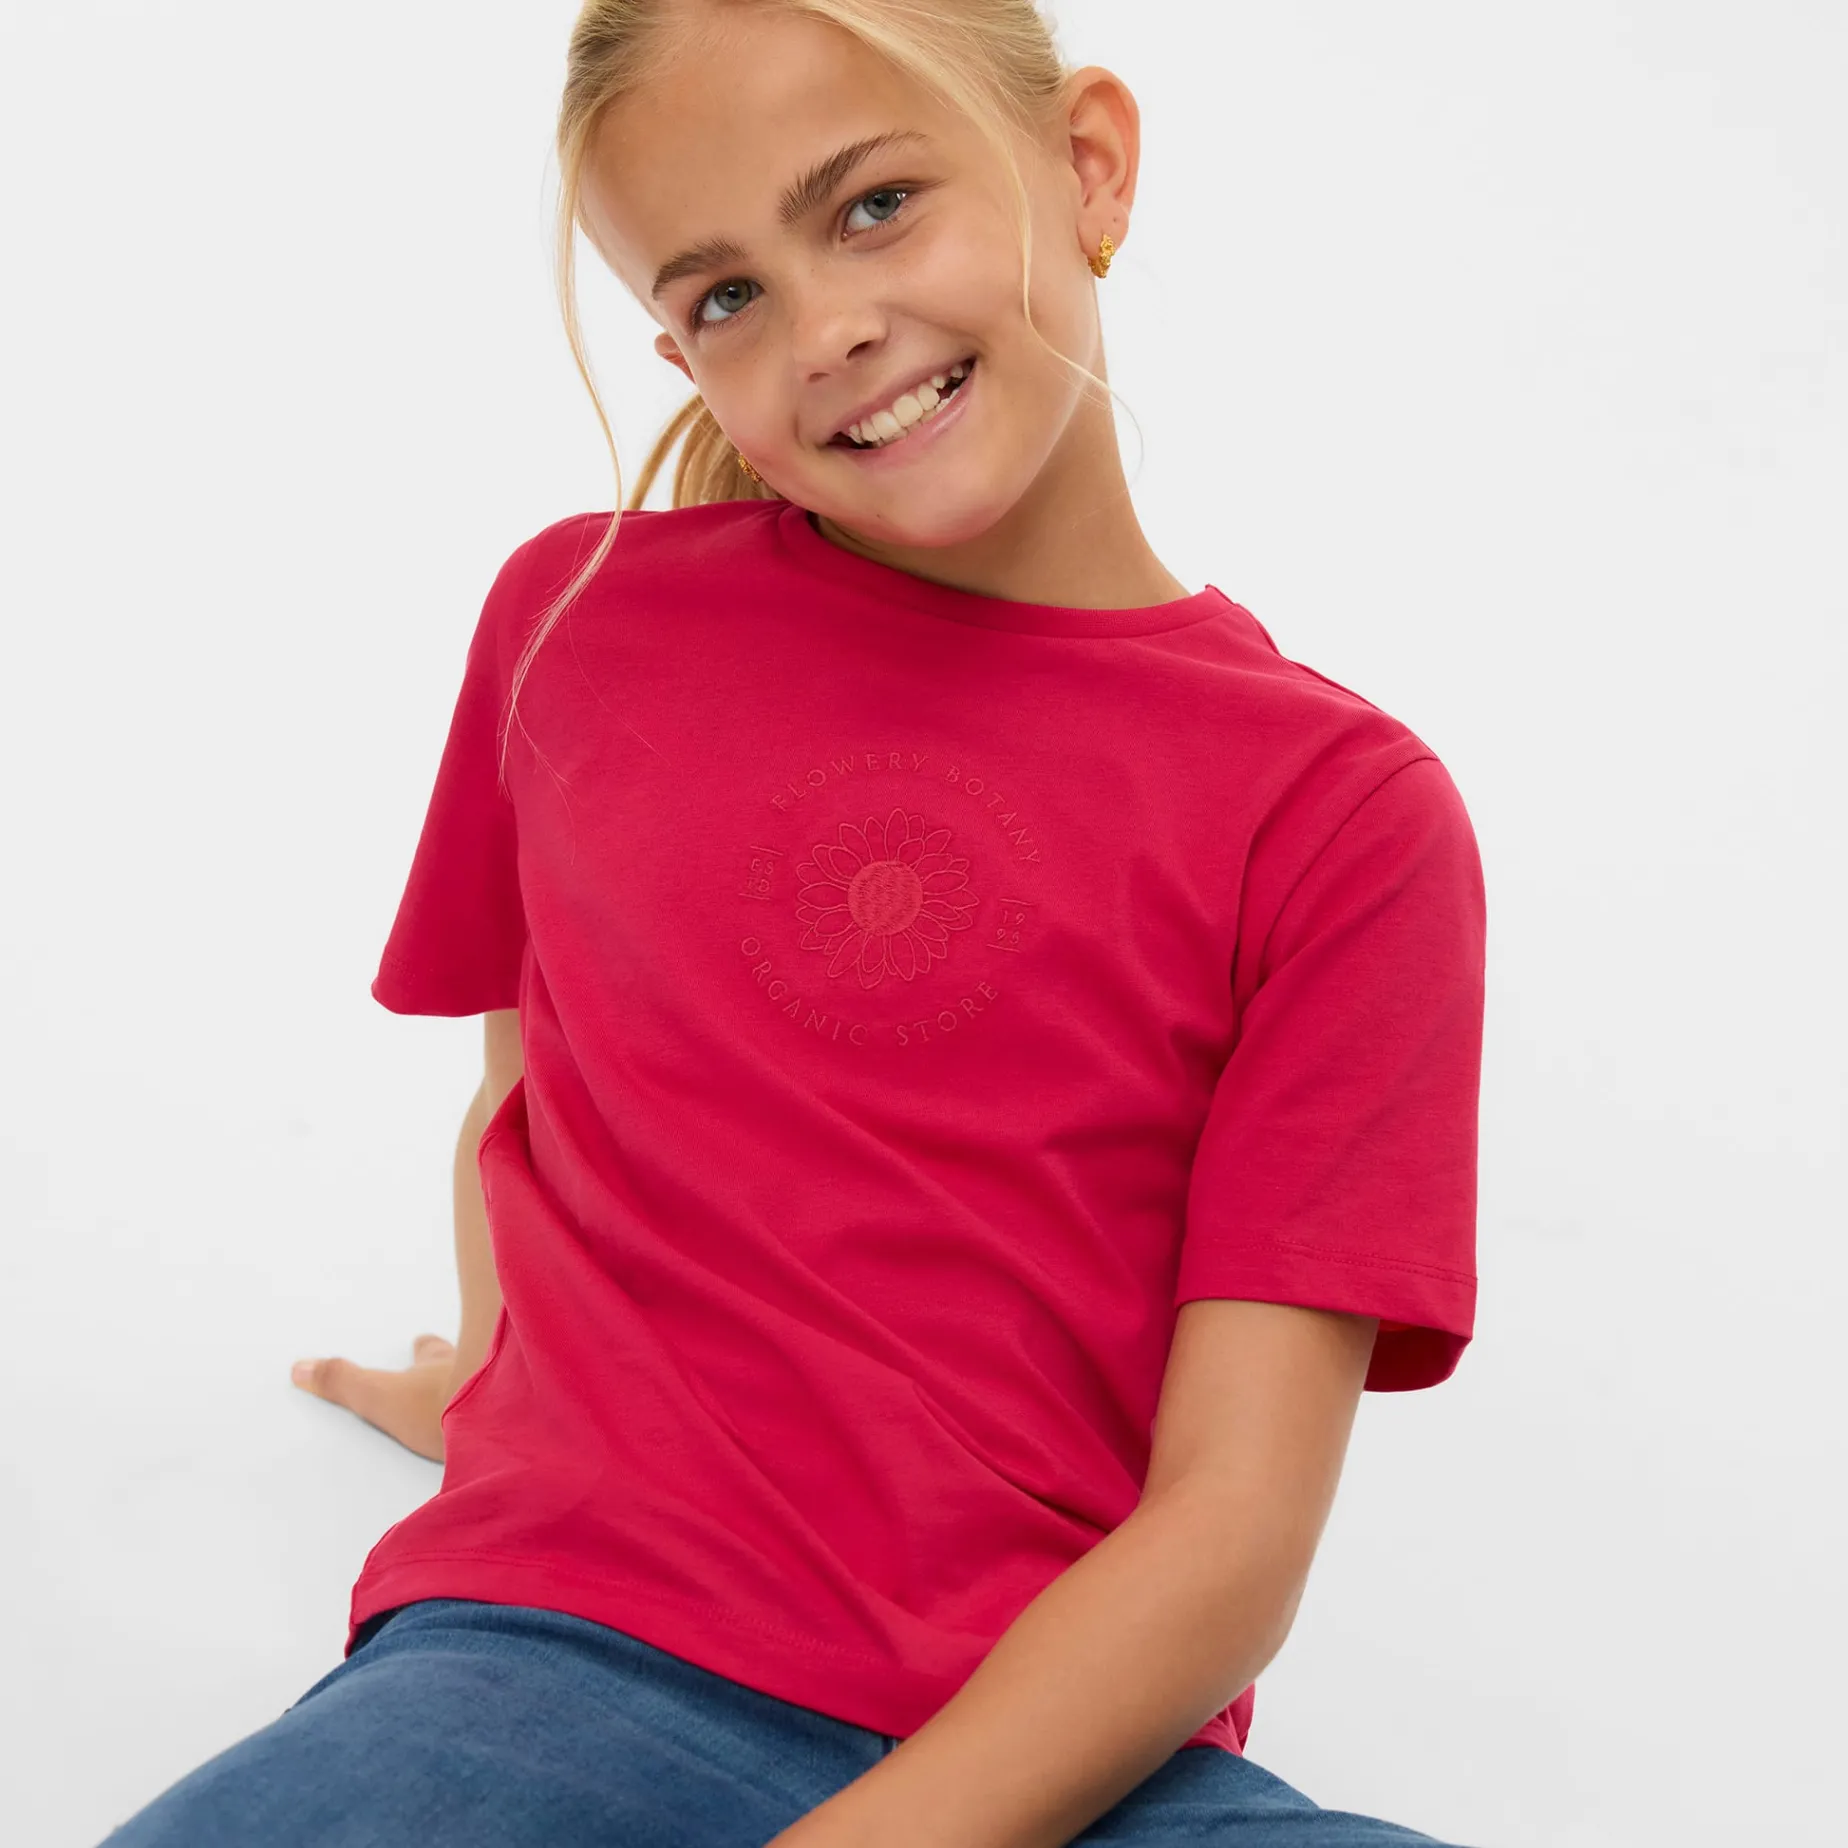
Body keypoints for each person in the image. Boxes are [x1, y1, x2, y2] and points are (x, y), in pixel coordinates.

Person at [102, 2, 1488, 1843]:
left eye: (874, 206)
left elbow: (1232, 1530)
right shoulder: (578, 625)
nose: (827, 326)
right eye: (727, 295)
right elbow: (533, 1094)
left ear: (1088, 168)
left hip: (1074, 1761)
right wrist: (517, 1399)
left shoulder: (1338, 813)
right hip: (545, 1658)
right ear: (678, 351)